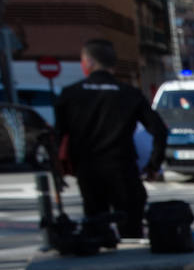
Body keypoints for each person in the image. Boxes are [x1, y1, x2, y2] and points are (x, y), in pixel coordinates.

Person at [54, 38, 168, 240]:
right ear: (113, 64)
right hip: (122, 169)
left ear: (87, 63)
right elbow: (159, 130)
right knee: (131, 232)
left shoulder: (70, 94)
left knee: (97, 230)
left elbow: (58, 136)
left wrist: (58, 171)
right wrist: (153, 164)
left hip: (88, 171)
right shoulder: (129, 94)